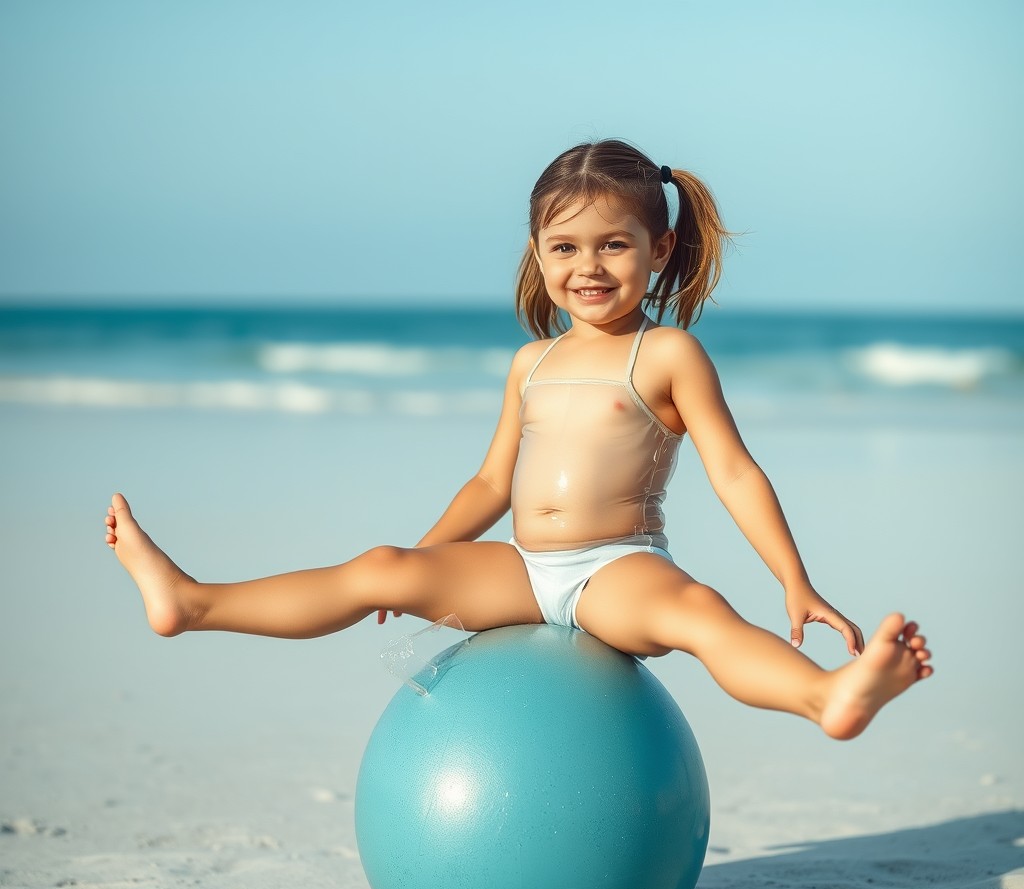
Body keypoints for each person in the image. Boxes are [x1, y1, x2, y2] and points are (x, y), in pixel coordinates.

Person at [104, 139, 932, 740]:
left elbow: (735, 472)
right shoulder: (531, 363)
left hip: (619, 568)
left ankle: (829, 698)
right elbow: (491, 484)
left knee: (701, 615)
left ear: (660, 248)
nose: (590, 267)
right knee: (377, 566)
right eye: (564, 247)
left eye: (614, 244)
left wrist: (795, 582)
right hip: (522, 570)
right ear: (538, 254)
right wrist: (427, 560)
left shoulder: (667, 353)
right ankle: (192, 602)